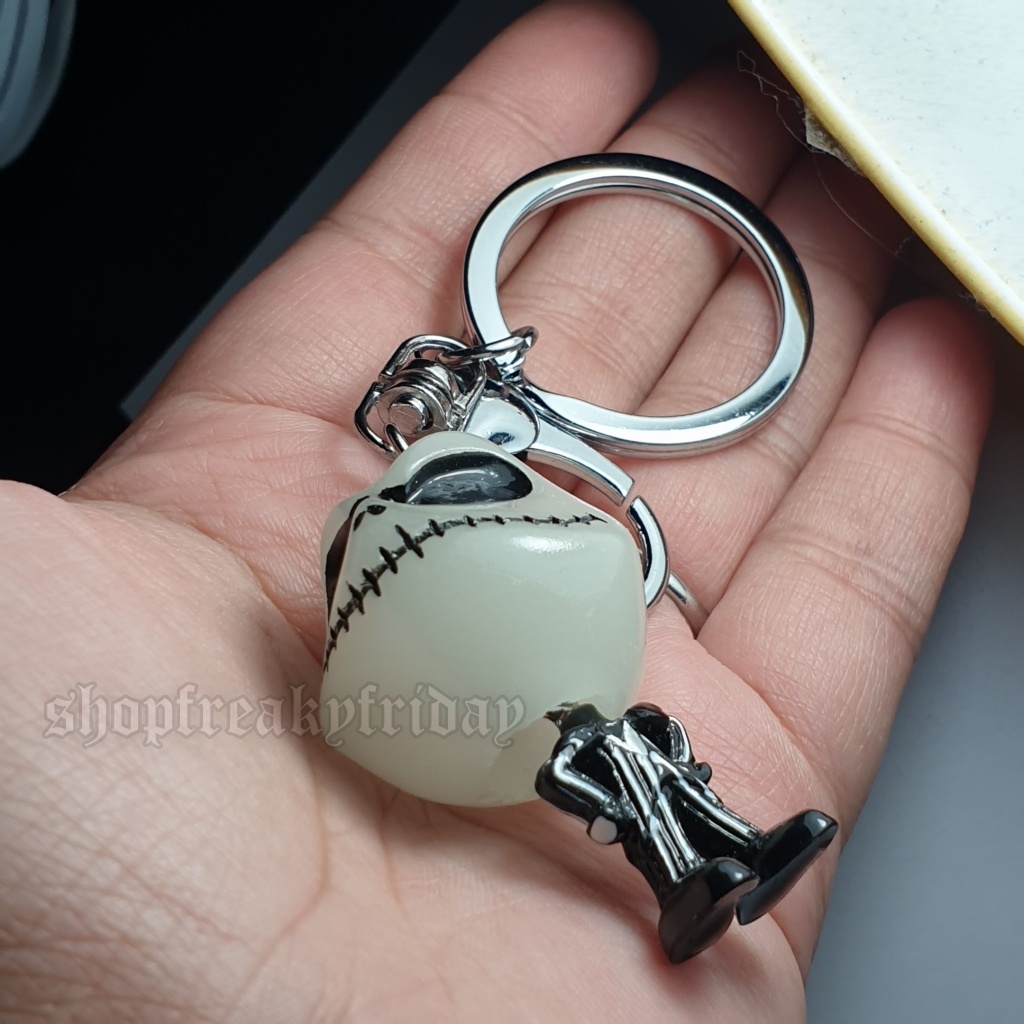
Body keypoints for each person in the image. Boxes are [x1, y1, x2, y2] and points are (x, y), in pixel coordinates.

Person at [0, 2, 993, 1020]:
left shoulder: (458, 550)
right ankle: (707, 863)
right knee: (608, 744)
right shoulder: (410, 548)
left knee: (620, 739)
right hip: (492, 692)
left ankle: (717, 858)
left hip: (498, 686)